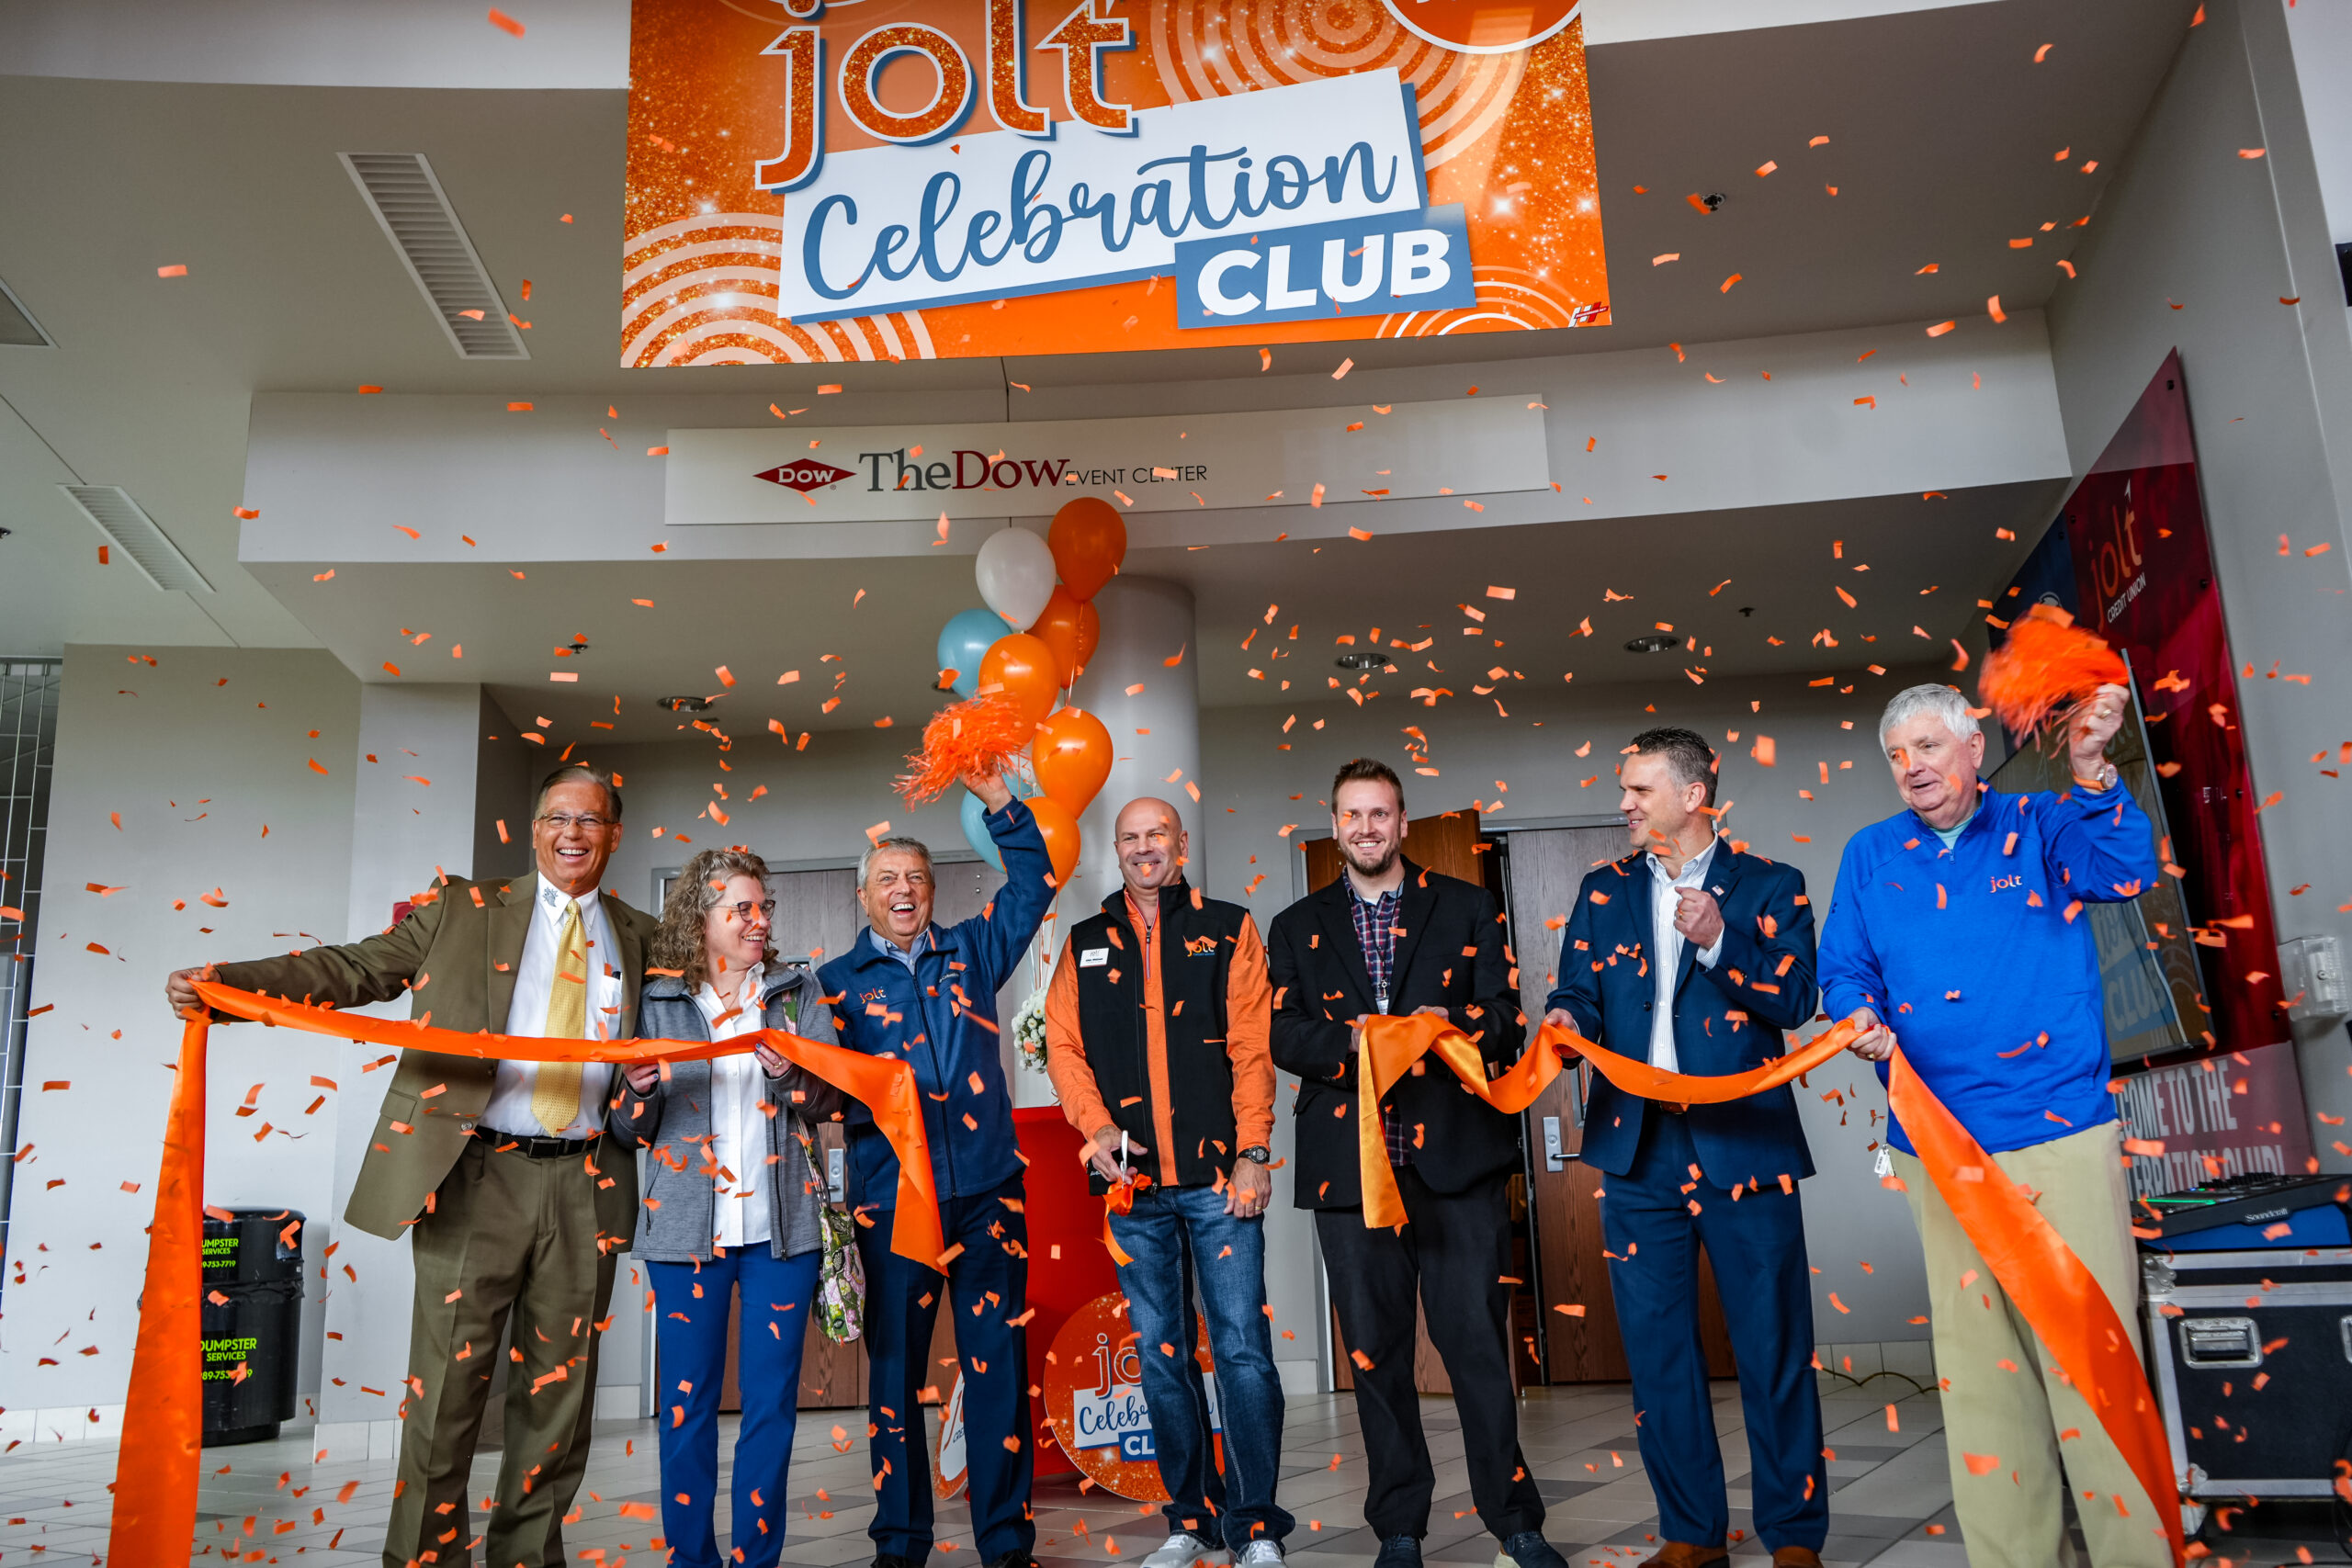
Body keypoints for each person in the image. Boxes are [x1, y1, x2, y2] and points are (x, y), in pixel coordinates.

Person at [164, 763, 654, 1568]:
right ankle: (423, 1558)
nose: (573, 833)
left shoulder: (640, 935)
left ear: (615, 834)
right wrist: (229, 986)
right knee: (446, 1393)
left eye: (591, 820)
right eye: (557, 818)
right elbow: (352, 968)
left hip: (587, 1181)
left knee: (559, 1401)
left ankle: (529, 1557)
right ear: (535, 829)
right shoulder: (462, 908)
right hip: (475, 1175)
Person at [1819, 681, 2164, 1568]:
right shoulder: (1869, 854)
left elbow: (2126, 870)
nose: (1912, 768)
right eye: (1897, 755)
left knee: (2092, 1368)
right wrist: (1858, 1015)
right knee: (1982, 1378)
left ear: (1973, 748)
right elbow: (1844, 970)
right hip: (1938, 1146)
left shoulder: (2042, 823)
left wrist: (2092, 770)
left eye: (1929, 746)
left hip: (2060, 1132)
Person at [1268, 759, 1568, 1568]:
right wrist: (1362, 1041)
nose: (1367, 827)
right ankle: (1399, 1527)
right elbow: (1283, 1033)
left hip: (1459, 1164)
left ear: (1403, 823)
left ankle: (1515, 1521)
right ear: (1336, 826)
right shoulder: (1294, 925)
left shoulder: (1468, 905)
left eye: (1381, 813)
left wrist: (1450, 1024)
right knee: (1376, 1354)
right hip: (1350, 1170)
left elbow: (1506, 1017)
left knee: (1478, 1348)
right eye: (1353, 814)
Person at [1542, 728, 1826, 1568]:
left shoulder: (1772, 883)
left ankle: (1794, 1536)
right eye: (1625, 789)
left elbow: (1798, 999)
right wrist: (1564, 1021)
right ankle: (1691, 1532)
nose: (1624, 804)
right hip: (1638, 1152)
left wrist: (1719, 939)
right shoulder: (1601, 891)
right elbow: (1579, 992)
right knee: (1659, 1349)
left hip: (1748, 1146)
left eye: (1640, 789)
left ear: (1693, 795)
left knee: (1774, 1344)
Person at [1043, 797, 1290, 1568]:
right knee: (1159, 1353)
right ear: (1115, 849)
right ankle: (1190, 1516)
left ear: (1181, 844)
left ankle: (1255, 1525)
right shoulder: (1085, 941)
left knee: (1243, 1351)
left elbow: (1252, 1045)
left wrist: (1253, 1150)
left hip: (1221, 1183)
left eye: (1158, 834)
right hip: (1134, 1189)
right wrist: (1096, 1129)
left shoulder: (1229, 927)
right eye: (1131, 837)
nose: (1144, 847)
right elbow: (1063, 1047)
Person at [818, 766, 1054, 1568]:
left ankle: (1005, 1540)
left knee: (998, 1367)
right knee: (894, 1377)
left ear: (933, 888)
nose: (904, 889)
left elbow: (1035, 883)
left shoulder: (974, 949)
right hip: (894, 1205)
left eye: (916, 876)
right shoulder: (834, 986)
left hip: (990, 1195)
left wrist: (1001, 802)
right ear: (864, 896)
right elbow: (821, 1094)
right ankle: (900, 1541)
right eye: (887, 878)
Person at [605, 848, 844, 1568]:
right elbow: (627, 1129)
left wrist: (794, 1076)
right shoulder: (656, 1002)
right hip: (685, 1236)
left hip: (783, 1235)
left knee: (770, 1407)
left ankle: (756, 1559)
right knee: (687, 1408)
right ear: (700, 918)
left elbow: (832, 1100)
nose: (758, 919)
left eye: (763, 906)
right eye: (741, 908)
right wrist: (638, 1091)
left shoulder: (798, 991)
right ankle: (691, 1560)